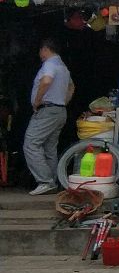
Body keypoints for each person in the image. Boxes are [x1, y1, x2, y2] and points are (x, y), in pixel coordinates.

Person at [25, 38, 73, 195]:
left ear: (45, 49)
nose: (40, 55)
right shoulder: (63, 67)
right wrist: (62, 102)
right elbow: (72, 87)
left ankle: (45, 181)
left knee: (31, 144)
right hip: (59, 111)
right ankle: (53, 181)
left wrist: (37, 102)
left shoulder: (50, 64)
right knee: (49, 148)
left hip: (47, 111)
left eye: (40, 51)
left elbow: (46, 81)